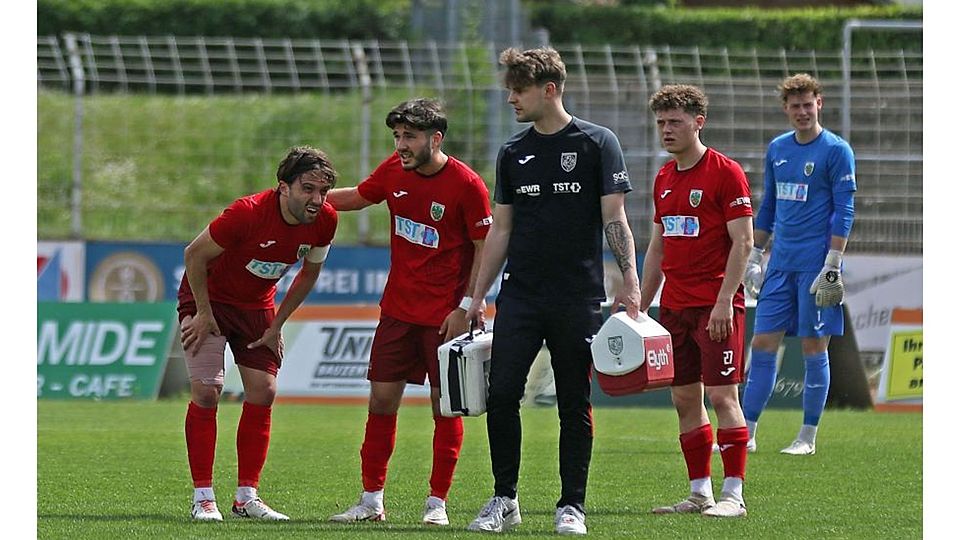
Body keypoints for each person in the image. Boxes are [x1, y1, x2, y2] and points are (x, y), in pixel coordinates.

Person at [464, 46, 641, 536]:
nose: (510, 99)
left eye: (518, 90)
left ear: (549, 89)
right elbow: (501, 230)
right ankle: (505, 498)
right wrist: (475, 297)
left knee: (572, 401)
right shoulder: (512, 152)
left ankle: (572, 506)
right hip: (519, 296)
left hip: (577, 297)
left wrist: (631, 281)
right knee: (500, 395)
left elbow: (615, 219)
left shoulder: (596, 142)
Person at [325, 98, 492, 526]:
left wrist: (466, 306)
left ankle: (437, 504)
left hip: (445, 317)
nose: (401, 144)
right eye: (397, 136)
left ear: (435, 139)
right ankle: (370, 501)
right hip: (397, 311)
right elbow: (359, 197)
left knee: (445, 409)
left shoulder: (467, 185)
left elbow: (484, 249)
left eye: (410, 137)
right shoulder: (393, 171)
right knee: (381, 402)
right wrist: (305, 196)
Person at [178, 146, 339, 521]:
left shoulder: (326, 220)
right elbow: (193, 255)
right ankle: (203, 497)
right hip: (210, 299)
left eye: (323, 192)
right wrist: (202, 313)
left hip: (256, 306)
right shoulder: (246, 213)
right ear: (284, 187)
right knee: (207, 389)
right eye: (308, 189)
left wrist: (277, 323)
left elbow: (309, 273)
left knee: (264, 391)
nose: (316, 199)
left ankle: (246, 497)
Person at [642, 85, 754, 518]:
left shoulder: (725, 172)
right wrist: (642, 303)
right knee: (685, 399)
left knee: (724, 396)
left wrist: (726, 300)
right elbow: (657, 247)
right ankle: (699, 492)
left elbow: (742, 243)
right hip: (674, 307)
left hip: (715, 307)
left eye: (675, 122)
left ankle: (734, 495)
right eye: (661, 123)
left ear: (698, 122)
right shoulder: (664, 177)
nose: (666, 130)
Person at [738, 73, 857, 456]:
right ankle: (747, 432)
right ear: (786, 109)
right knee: (762, 343)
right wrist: (755, 255)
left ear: (819, 104)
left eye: (809, 104)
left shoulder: (836, 150)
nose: (803, 112)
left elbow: (844, 209)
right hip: (779, 265)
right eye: (796, 106)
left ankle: (807, 436)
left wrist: (834, 262)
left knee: (812, 347)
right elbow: (769, 205)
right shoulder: (777, 149)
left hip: (817, 268)